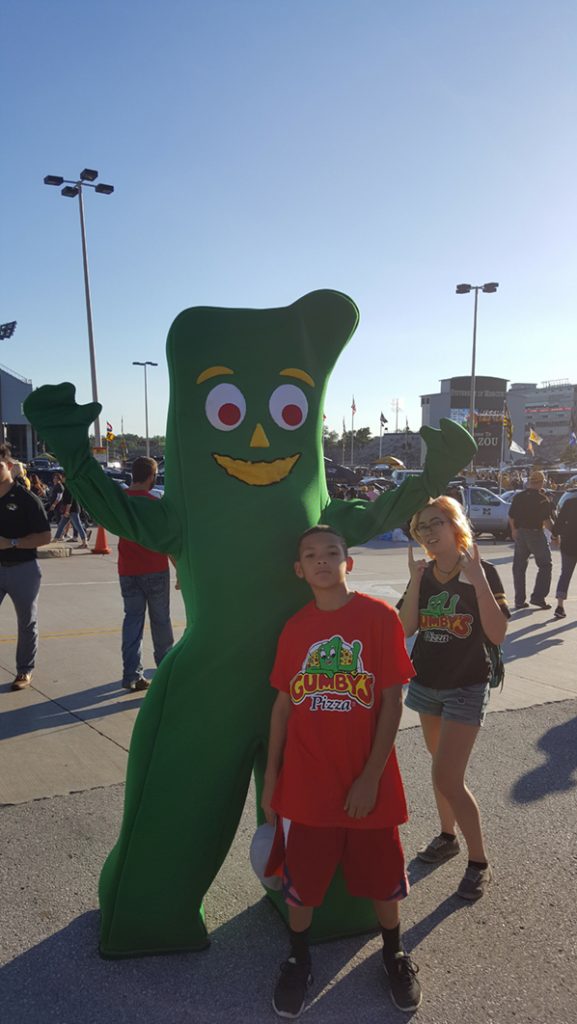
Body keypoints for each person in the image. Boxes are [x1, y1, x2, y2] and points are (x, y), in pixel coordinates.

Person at [261, 524, 421, 1017]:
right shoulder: (295, 628)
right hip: (307, 783)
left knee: (383, 877)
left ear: (349, 562)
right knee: (302, 881)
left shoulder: (377, 619)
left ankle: (394, 952)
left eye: (333, 552)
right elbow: (283, 706)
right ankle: (298, 957)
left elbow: (393, 701)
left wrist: (371, 775)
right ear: (299, 569)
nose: (323, 560)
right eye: (311, 555)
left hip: (367, 780)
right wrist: (271, 778)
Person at [397, 497, 509, 901]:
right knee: (438, 766)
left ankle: (479, 862)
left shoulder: (483, 570)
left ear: (455, 524)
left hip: (466, 685)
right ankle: (448, 836)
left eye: (435, 522)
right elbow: (405, 627)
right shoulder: (424, 574)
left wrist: (477, 580)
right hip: (427, 683)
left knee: (448, 776)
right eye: (421, 526)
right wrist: (413, 581)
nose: (428, 532)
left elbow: (497, 635)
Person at [118, 457, 174, 692]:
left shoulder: (121, 502)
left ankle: (132, 673)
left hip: (128, 570)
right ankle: (166, 673)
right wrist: (179, 569)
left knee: (133, 620)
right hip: (155, 568)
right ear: (152, 477)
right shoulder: (155, 503)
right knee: (161, 622)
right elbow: (167, 540)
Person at [0, 444, 51, 690]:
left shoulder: (26, 498)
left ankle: (24, 670)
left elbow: (45, 536)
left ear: (9, 467)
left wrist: (11, 543)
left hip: (23, 569)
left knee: (26, 622)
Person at [508, 470, 555, 610]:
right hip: (535, 533)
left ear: (530, 482)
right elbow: (547, 521)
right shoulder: (542, 499)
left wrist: (514, 530)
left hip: (521, 533)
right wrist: (555, 534)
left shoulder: (519, 497)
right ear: (541, 482)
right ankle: (538, 597)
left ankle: (519, 600)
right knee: (546, 565)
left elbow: (511, 516)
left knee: (519, 567)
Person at [550, 495, 577, 619]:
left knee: (565, 574)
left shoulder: (569, 503)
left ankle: (560, 606)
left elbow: (559, 521)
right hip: (570, 543)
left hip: (569, 543)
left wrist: (555, 535)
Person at [52, 473, 89, 548]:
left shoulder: (69, 486)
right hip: (69, 509)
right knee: (61, 524)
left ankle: (85, 542)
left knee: (78, 525)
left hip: (73, 509)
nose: (61, 479)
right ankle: (55, 539)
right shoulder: (66, 486)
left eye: (62, 477)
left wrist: (67, 511)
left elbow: (70, 500)